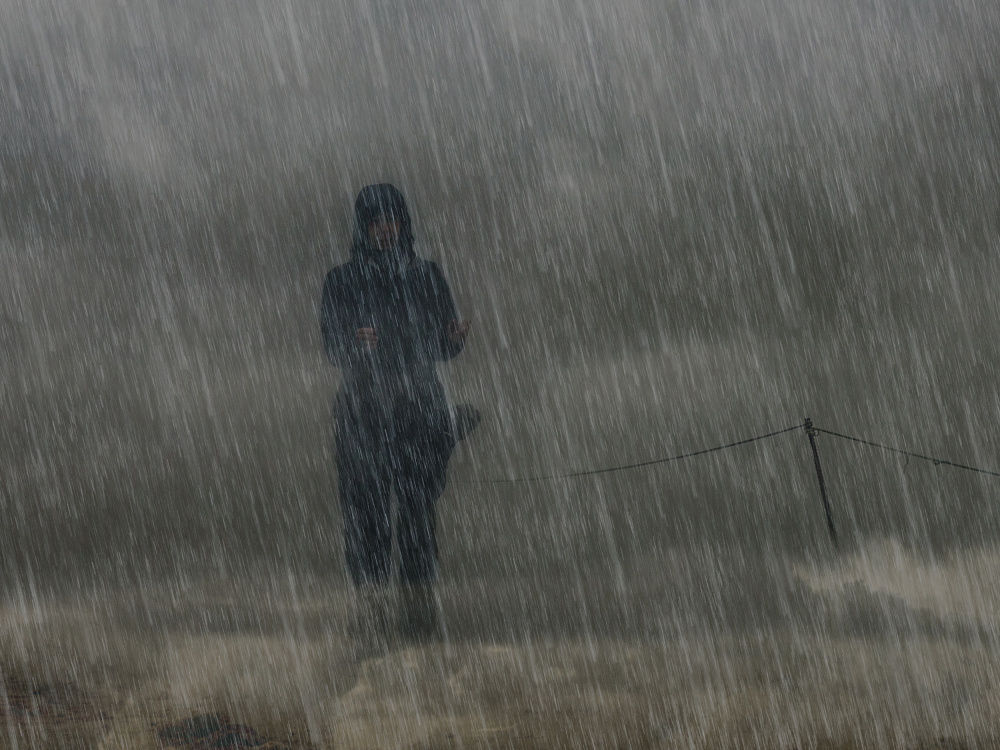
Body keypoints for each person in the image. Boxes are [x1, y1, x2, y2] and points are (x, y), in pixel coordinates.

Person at [320, 183, 471, 639]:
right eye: (376, 221)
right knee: (367, 523)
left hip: (419, 414)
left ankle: (420, 623)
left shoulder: (427, 275)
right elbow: (330, 346)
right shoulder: (341, 280)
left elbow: (443, 350)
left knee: (418, 522)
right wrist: (352, 343)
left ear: (404, 224)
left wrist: (454, 341)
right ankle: (370, 620)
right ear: (362, 227)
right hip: (362, 415)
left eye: (393, 220)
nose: (385, 229)